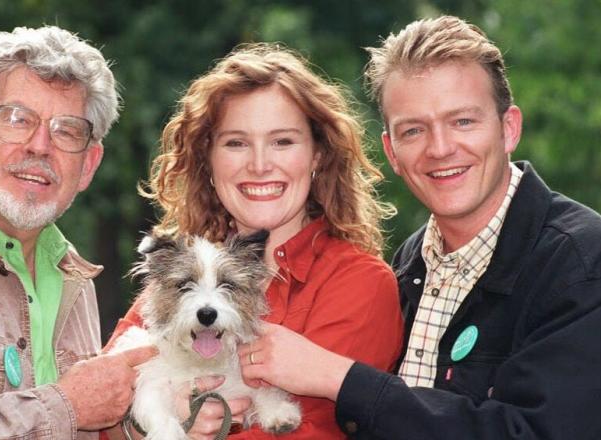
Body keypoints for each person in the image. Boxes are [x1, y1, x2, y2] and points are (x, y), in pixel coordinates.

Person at [238, 15, 601, 440]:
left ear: (508, 129)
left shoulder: (581, 262)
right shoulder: (410, 262)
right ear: (392, 151)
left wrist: (341, 378)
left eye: (463, 121)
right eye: (414, 130)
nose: (441, 148)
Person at [103, 43, 404, 439]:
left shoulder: (359, 283)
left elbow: (312, 429)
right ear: (207, 159)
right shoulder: (178, 272)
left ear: (317, 155)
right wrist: (141, 425)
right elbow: (98, 406)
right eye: (236, 143)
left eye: (282, 141)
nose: (260, 164)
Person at [0, 26, 156, 439]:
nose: (40, 146)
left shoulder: (72, 275)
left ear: (88, 164)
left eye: (67, 131)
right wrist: (65, 407)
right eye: (18, 120)